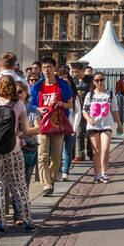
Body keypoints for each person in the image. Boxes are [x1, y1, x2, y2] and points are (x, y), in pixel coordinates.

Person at [0, 74, 36, 233]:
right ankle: (27, 220)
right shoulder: (18, 104)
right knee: (18, 185)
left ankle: (0, 223)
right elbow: (26, 129)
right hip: (13, 150)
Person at [30, 57, 75, 196]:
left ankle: (51, 179)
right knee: (42, 156)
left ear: (54, 68)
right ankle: (47, 185)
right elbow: (31, 105)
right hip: (42, 124)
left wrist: (60, 104)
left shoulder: (63, 85)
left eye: (49, 67)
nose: (46, 70)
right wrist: (39, 109)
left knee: (55, 159)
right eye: (44, 68)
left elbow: (70, 104)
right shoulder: (37, 87)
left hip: (57, 124)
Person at [83, 73, 121, 183]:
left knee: (105, 149)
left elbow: (114, 110)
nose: (99, 82)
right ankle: (96, 174)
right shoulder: (90, 95)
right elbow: (84, 111)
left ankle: (104, 173)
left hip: (106, 124)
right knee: (96, 151)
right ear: (94, 82)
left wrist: (119, 124)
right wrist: (89, 119)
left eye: (101, 80)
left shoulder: (110, 94)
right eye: (97, 80)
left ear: (104, 80)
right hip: (93, 126)